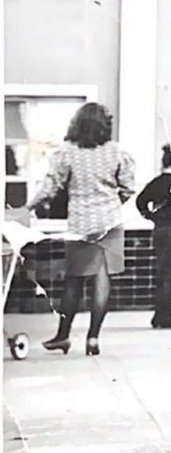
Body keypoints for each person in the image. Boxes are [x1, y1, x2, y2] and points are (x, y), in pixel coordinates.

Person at [26, 102, 135, 357]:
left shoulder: (68, 153)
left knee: (74, 281)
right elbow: (129, 189)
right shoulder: (117, 152)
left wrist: (27, 206)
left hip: (81, 223)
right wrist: (110, 202)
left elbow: (51, 187)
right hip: (110, 222)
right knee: (102, 280)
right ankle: (93, 339)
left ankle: (63, 336)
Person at [136, 143, 171, 329]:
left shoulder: (157, 182)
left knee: (162, 272)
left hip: (159, 229)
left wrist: (151, 216)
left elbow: (141, 201)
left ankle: (160, 314)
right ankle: (165, 316)